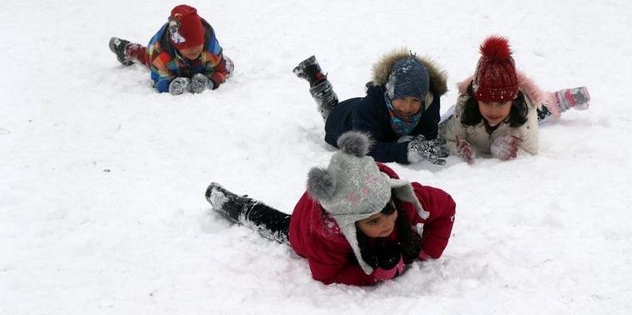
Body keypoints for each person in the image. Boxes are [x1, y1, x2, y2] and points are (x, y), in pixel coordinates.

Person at [205, 131, 456, 286]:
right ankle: (232, 204)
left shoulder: (401, 199)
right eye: (372, 222)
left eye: (387, 211)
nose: (386, 224)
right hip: (305, 226)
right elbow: (326, 274)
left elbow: (446, 207)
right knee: (278, 224)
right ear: (350, 225)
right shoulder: (327, 236)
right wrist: (374, 274)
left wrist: (427, 251)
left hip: (348, 192)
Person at [438, 35, 591, 163]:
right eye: (486, 102)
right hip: (472, 111)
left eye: (501, 103)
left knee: (541, 109)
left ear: (513, 99)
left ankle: (559, 99)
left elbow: (531, 150)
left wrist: (511, 151)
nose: (493, 110)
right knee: (450, 117)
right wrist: (458, 150)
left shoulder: (524, 112)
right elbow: (446, 139)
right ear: (476, 99)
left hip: (519, 113)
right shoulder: (464, 109)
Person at [292, 50, 449, 165]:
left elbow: (429, 134)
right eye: (401, 98)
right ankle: (317, 81)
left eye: (415, 100)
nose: (408, 107)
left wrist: (421, 142)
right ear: (390, 92)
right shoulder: (368, 109)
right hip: (342, 120)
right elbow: (366, 149)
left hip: (365, 112)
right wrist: (405, 151)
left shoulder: (429, 103)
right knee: (331, 111)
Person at [108, 4, 234, 95]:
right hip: (166, 60)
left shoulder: (210, 49)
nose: (194, 50)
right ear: (177, 45)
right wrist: (170, 85)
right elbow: (157, 79)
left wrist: (210, 82)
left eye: (197, 44)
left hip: (199, 64)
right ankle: (126, 49)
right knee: (145, 57)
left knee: (226, 64)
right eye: (187, 47)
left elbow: (222, 70)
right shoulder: (161, 55)